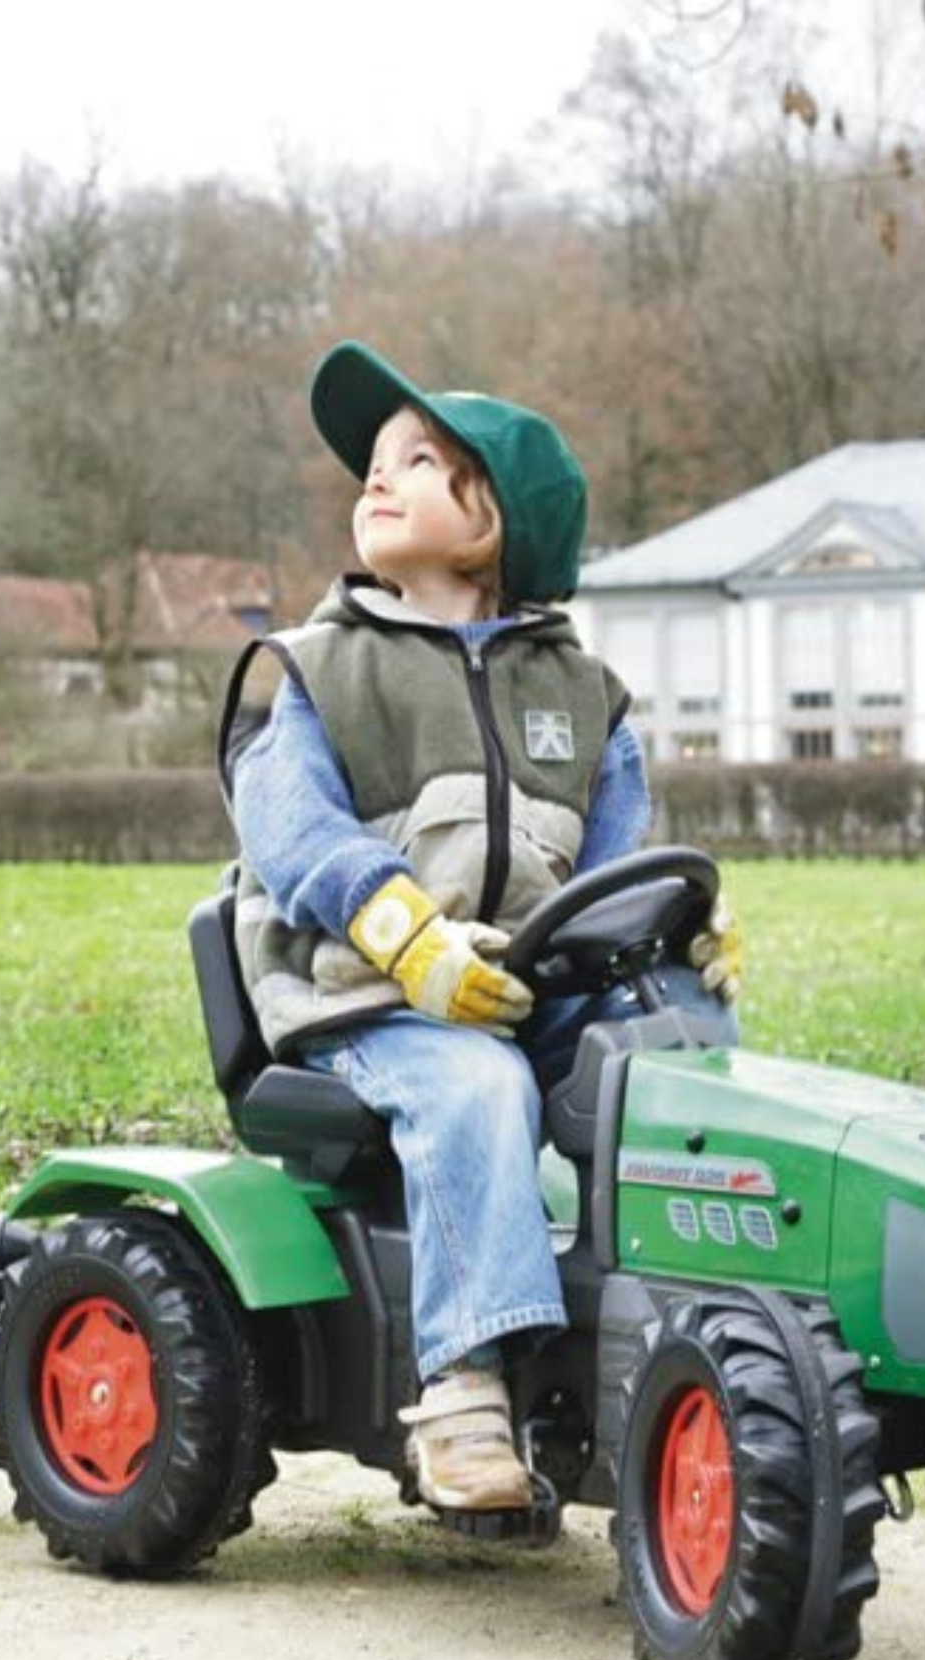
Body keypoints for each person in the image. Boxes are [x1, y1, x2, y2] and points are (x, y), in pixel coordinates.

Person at [220, 340, 739, 1513]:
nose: (374, 476)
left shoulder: (583, 694)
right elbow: (283, 821)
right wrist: (403, 933)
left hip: (529, 986)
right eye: (373, 462)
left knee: (676, 1060)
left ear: (493, 520)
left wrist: (679, 945)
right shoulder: (318, 668)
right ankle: (460, 1390)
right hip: (362, 995)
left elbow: (616, 867)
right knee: (474, 1087)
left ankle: (702, 1313)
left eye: (417, 461)